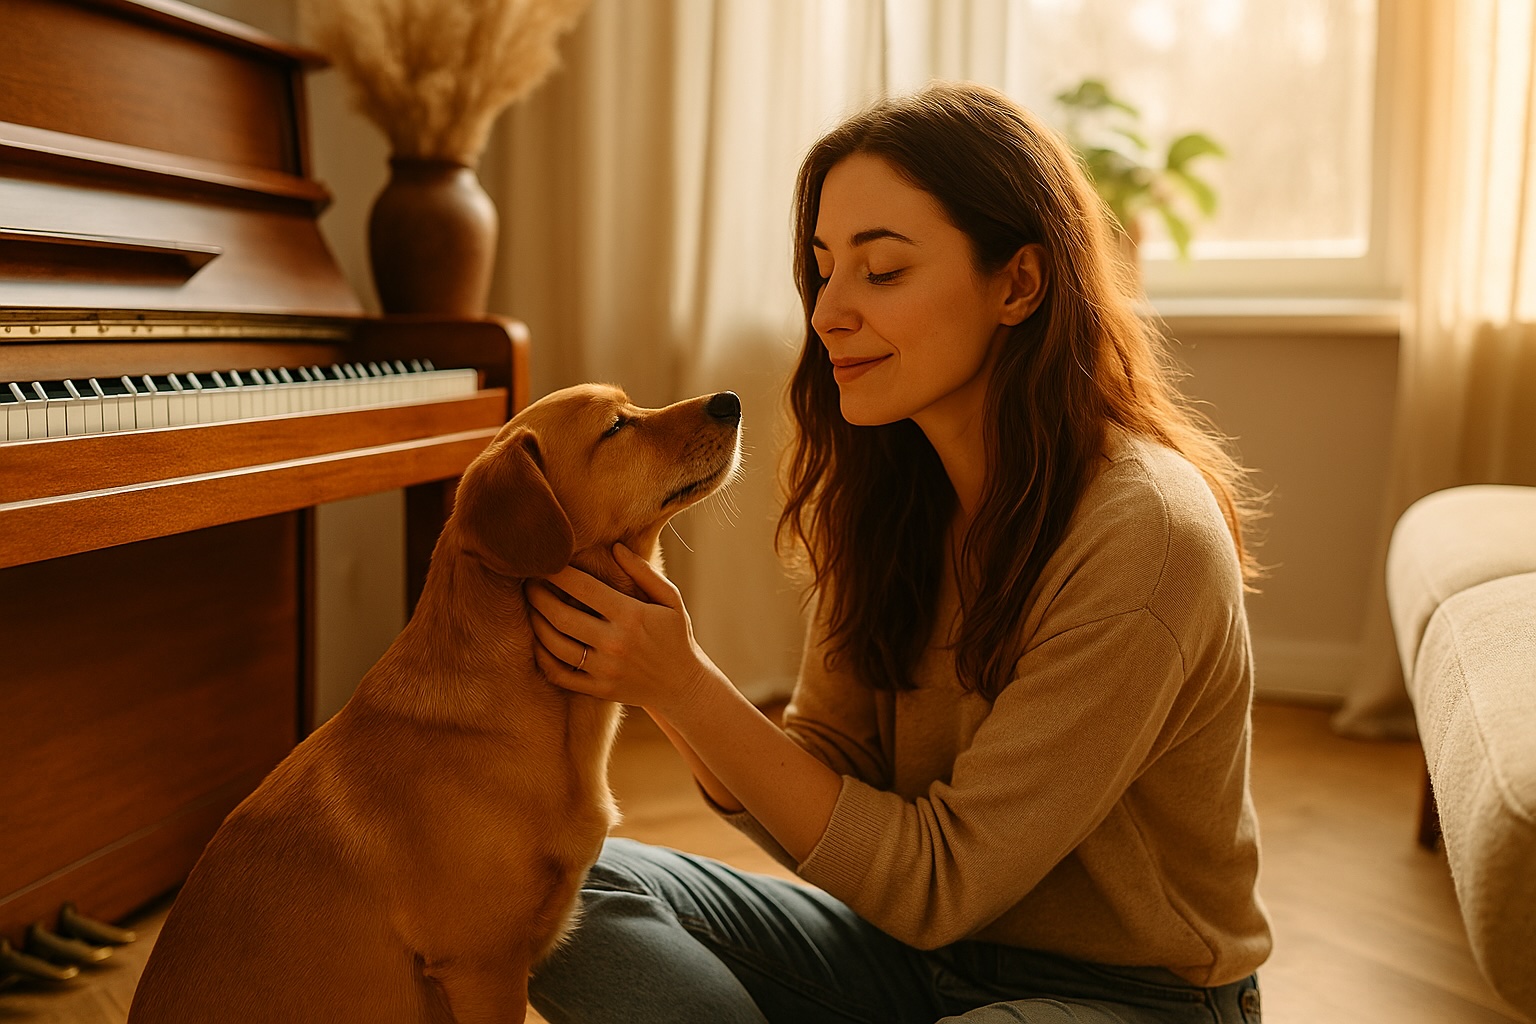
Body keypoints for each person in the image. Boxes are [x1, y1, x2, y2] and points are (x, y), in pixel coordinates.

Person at [521, 81, 1271, 1024]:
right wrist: (663, 683)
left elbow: (942, 883)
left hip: (1130, 996)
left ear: (1019, 284)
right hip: (915, 962)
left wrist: (682, 685)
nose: (828, 312)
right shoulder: (890, 491)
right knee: (546, 880)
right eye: (824, 269)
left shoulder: (1145, 533)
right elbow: (830, 774)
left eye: (880, 272)